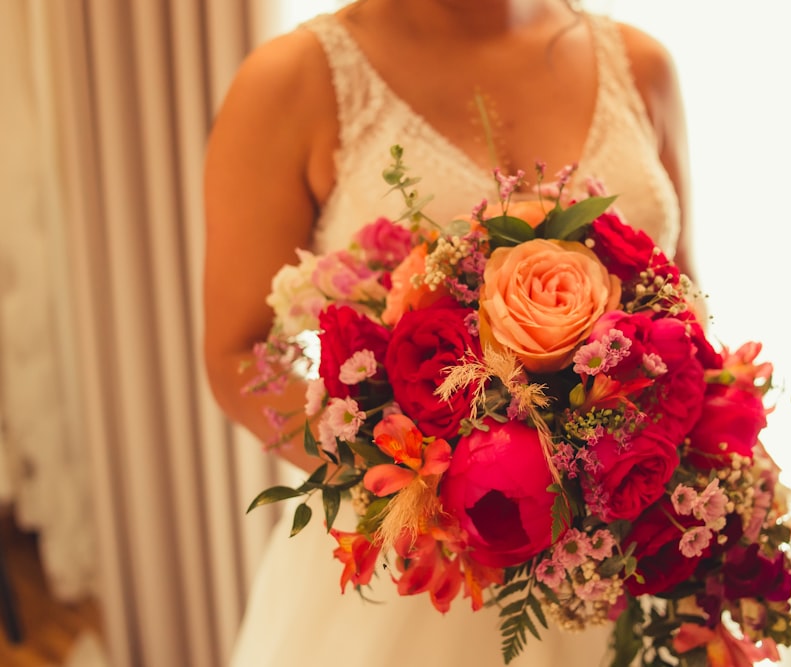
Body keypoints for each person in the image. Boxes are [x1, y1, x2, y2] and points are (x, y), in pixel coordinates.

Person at [203, 0, 696, 664]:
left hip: (619, 557)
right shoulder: (292, 81)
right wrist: (413, 486)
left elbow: (684, 310)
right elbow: (237, 354)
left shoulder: (643, 66)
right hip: (418, 583)